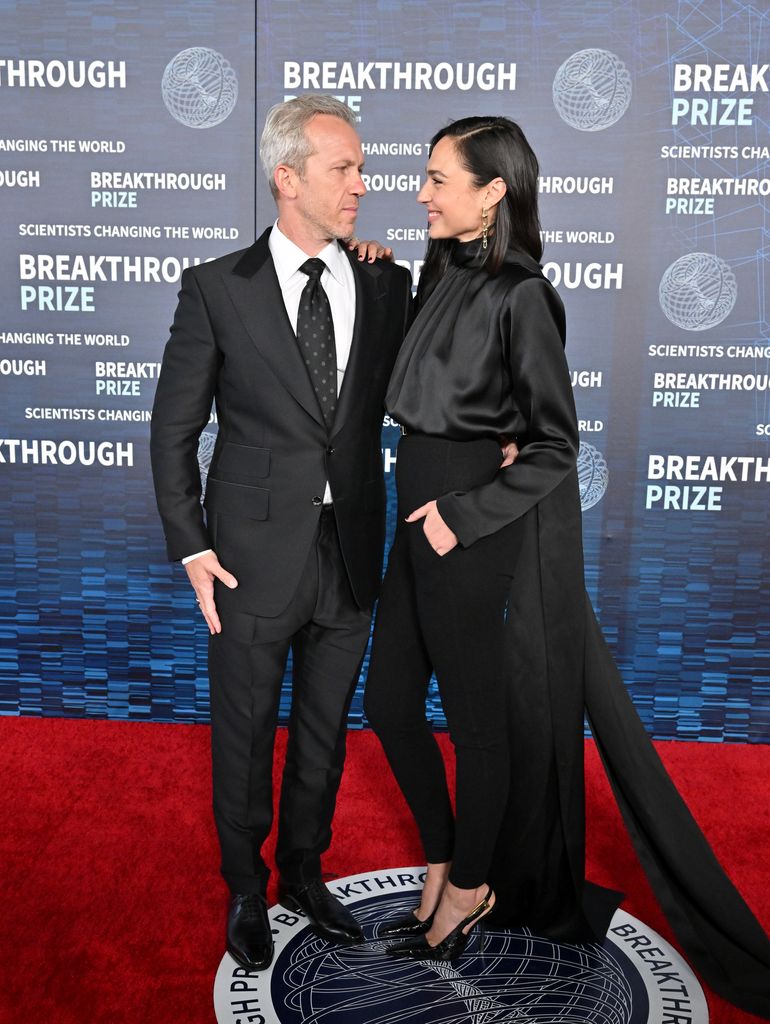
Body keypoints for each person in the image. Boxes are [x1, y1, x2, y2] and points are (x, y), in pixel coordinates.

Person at [363, 115, 770, 1017]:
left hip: (464, 525)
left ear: (492, 191)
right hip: (413, 506)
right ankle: (445, 862)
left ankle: (470, 888)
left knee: (476, 722)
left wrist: (462, 517)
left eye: (437, 178)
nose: (422, 191)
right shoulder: (442, 268)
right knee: (389, 701)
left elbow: (554, 447)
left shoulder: (524, 295)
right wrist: (377, 267)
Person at [150, 95, 411, 972]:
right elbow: (173, 431)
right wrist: (193, 546)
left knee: (325, 732)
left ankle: (304, 872)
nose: (363, 186)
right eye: (345, 169)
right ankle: (243, 887)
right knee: (245, 730)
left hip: (351, 559)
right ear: (287, 176)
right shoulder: (217, 288)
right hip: (249, 560)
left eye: (364, 168)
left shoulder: (384, 280)